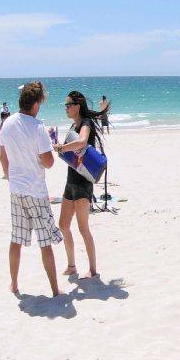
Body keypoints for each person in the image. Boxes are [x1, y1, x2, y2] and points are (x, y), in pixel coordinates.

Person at [0, 81, 62, 298]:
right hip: (35, 190)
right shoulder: (38, 127)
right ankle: (55, 290)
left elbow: (3, 158)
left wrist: (11, 178)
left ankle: (14, 284)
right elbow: (49, 162)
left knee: (16, 239)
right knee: (45, 242)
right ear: (35, 103)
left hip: (16, 189)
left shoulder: (7, 124)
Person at [54, 91, 102, 279]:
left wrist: (62, 147)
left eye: (68, 105)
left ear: (77, 106)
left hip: (83, 183)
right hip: (71, 181)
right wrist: (60, 148)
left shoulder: (86, 124)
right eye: (65, 105)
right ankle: (72, 266)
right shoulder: (73, 126)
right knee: (63, 225)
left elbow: (82, 142)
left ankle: (93, 269)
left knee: (83, 228)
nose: (66, 108)